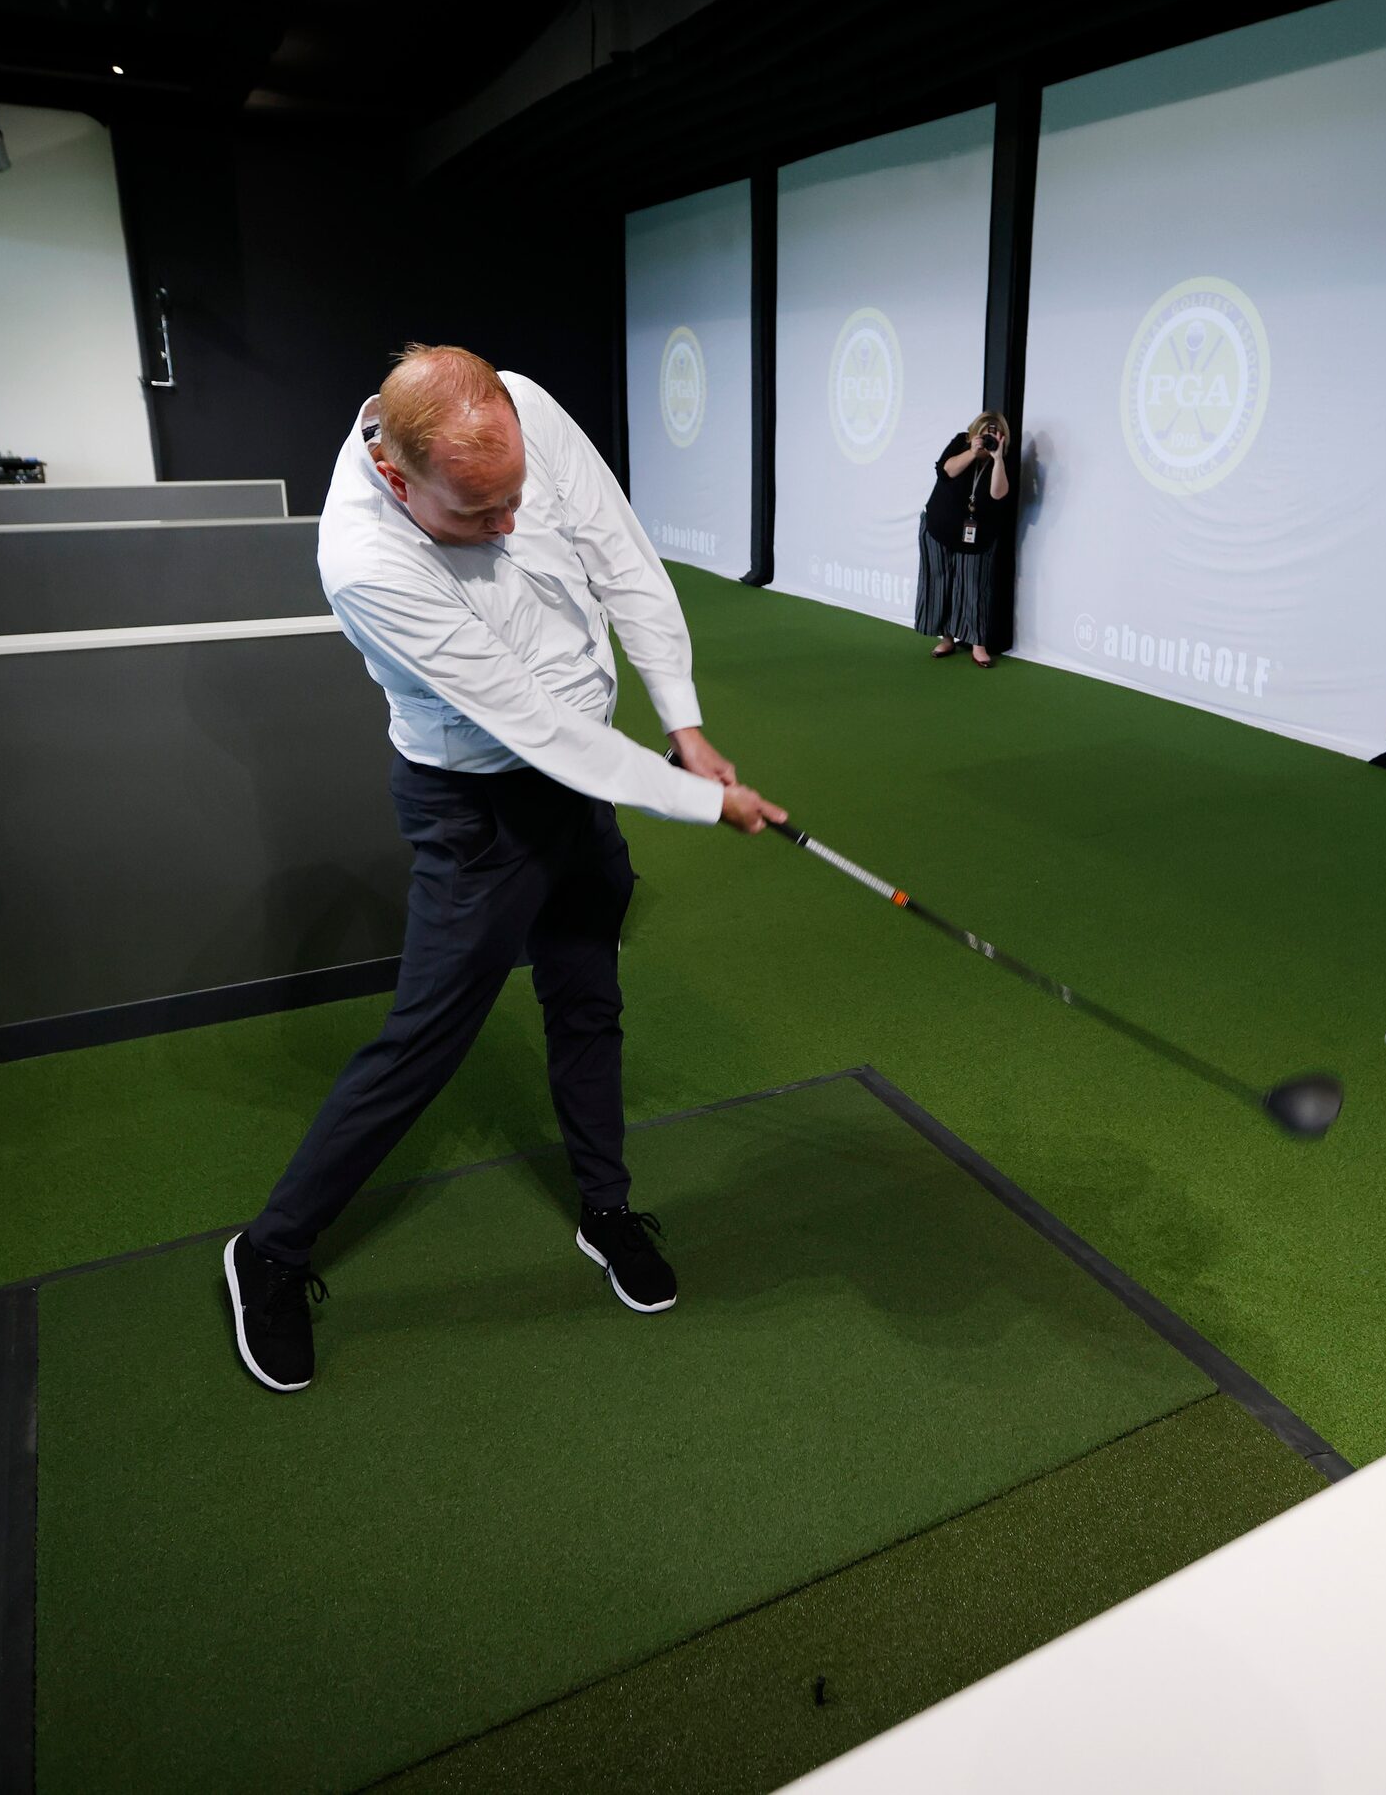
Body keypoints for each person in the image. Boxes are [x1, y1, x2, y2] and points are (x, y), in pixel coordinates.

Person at [223, 343, 789, 1394]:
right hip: (478, 807)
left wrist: (684, 720)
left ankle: (605, 1209)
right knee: (424, 1044)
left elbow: (619, 558)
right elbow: (533, 729)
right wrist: (706, 799)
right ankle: (269, 1252)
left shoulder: (517, 404)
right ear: (397, 478)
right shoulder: (364, 559)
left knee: (588, 994)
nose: (509, 528)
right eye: (477, 516)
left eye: (514, 497)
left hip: (586, 778)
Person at [916, 410, 1016, 667]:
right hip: (939, 528)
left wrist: (997, 458)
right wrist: (973, 451)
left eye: (994, 432)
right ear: (974, 431)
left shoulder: (1002, 459)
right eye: (984, 432)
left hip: (977, 537)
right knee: (939, 583)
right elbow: (945, 470)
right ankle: (947, 638)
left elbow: (998, 494)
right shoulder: (961, 442)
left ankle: (978, 644)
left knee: (975, 588)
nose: (988, 437)